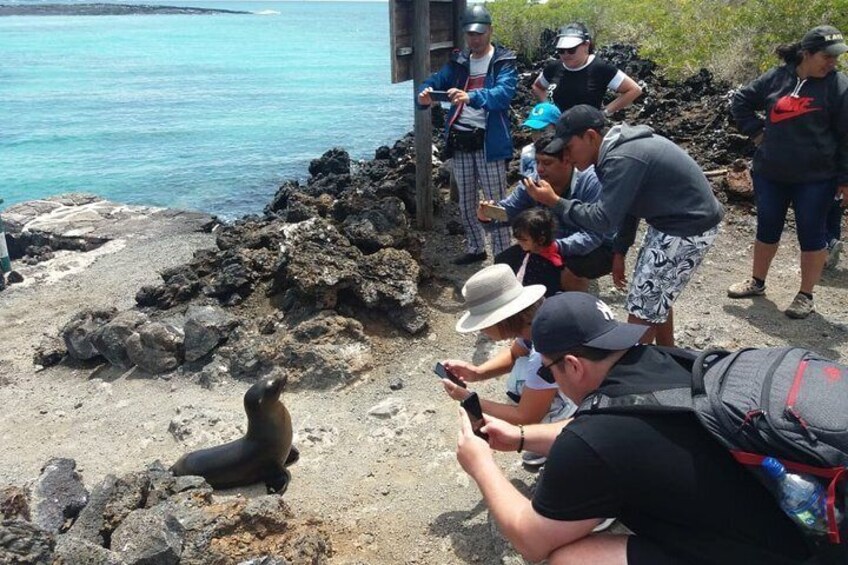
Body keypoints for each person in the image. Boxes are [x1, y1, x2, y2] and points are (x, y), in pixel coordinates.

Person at [454, 292, 814, 564]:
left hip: (771, 556)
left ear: (574, 366)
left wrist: (481, 465)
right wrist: (519, 437)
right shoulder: (663, 359)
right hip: (801, 527)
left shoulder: (594, 440)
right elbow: (602, 430)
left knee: (569, 560)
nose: (551, 379)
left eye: (549, 371)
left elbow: (531, 541)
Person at [526, 104, 724, 346]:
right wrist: (621, 250)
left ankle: (633, 374)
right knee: (653, 294)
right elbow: (630, 205)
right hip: (670, 221)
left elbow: (602, 219)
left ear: (590, 136)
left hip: (687, 226)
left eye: (568, 148)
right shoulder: (613, 152)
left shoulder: (622, 157)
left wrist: (555, 202)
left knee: (642, 306)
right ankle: (667, 355)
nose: (566, 157)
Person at [728, 25, 848, 317]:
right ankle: (757, 282)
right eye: (826, 56)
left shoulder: (838, 86)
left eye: (836, 57)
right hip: (771, 173)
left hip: (816, 179)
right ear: (806, 54)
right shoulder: (777, 77)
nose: (832, 62)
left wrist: (845, 179)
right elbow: (740, 100)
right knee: (767, 229)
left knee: (812, 235)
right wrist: (756, 132)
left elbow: (847, 136)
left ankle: (806, 295)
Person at [439, 264, 573, 466]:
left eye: (483, 323)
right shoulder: (536, 320)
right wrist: (476, 372)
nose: (481, 330)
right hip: (588, 376)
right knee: (522, 374)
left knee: (525, 385)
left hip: (599, 393)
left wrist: (469, 399)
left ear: (503, 318)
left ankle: (561, 435)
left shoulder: (543, 353)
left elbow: (525, 416)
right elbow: (514, 354)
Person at [417, 5, 517, 266]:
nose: (475, 39)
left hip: (489, 143)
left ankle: (503, 256)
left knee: (496, 204)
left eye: (480, 34)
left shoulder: (503, 62)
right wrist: (425, 94)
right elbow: (436, 81)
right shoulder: (459, 62)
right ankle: (475, 248)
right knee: (466, 202)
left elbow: (503, 95)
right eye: (471, 34)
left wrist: (471, 97)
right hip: (461, 140)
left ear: (490, 31)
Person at [483, 134, 615, 292]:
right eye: (537, 161)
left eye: (547, 163)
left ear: (567, 161)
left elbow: (594, 235)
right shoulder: (533, 182)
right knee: (504, 263)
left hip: (598, 245)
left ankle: (575, 309)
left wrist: (557, 246)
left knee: (571, 271)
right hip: (547, 242)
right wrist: (487, 216)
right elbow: (510, 211)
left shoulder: (590, 183)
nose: (539, 169)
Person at [531, 22, 642, 115]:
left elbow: (634, 90)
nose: (565, 54)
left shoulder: (600, 67)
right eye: (561, 50)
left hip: (587, 132)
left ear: (586, 45)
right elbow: (537, 87)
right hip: (558, 129)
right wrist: (549, 109)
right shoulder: (554, 67)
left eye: (571, 50)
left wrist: (604, 113)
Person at [519, 102, 561, 180]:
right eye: (534, 130)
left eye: (542, 130)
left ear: (557, 128)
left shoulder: (566, 153)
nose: (537, 136)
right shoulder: (527, 153)